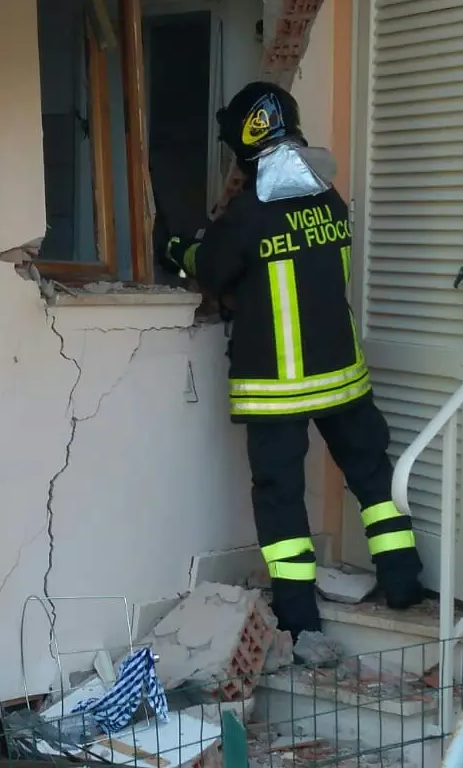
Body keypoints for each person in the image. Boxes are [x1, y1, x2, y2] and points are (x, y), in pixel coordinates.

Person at [163, 81, 425, 650]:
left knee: (281, 500)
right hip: (343, 376)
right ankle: (403, 581)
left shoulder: (250, 212)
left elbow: (211, 269)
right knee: (374, 481)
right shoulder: (328, 198)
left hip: (278, 388)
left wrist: (177, 247)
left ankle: (299, 616)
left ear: (242, 141)